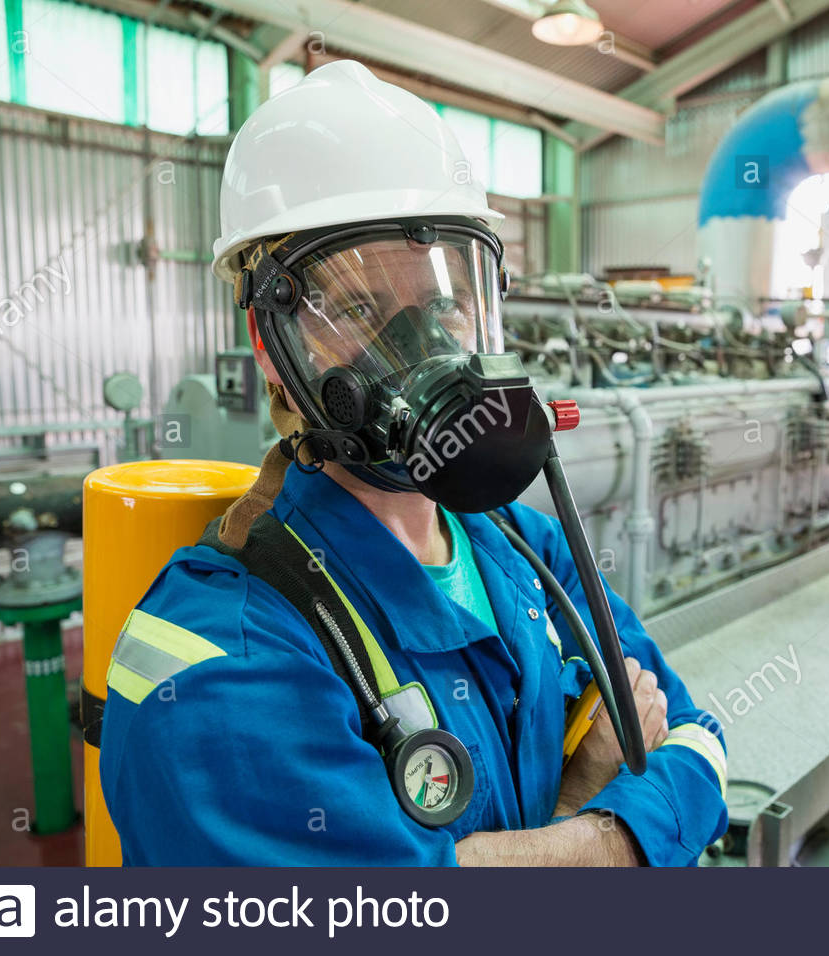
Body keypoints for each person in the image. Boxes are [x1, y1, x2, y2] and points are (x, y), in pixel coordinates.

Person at [98, 60, 728, 866]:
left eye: (444, 305)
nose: (423, 350)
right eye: (358, 309)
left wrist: (526, 853)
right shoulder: (218, 659)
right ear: (271, 345)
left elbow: (696, 738)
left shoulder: (530, 551)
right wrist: (604, 826)